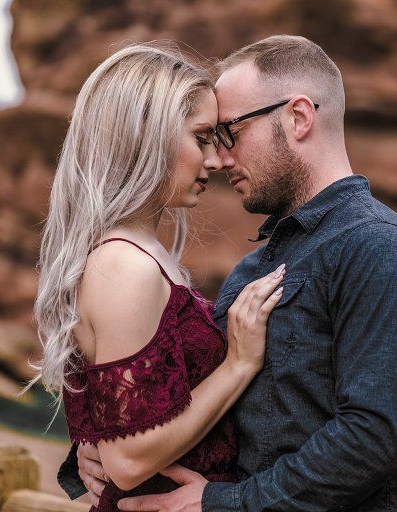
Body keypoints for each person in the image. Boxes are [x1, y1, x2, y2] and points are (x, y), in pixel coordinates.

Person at [68, 35, 397, 511]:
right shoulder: (253, 269)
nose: (221, 158)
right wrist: (103, 442)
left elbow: (375, 438)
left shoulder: (383, 250)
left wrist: (224, 504)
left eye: (231, 132)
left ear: (298, 117)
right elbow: (193, 398)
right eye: (209, 138)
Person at [30, 43, 287, 511]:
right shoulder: (123, 265)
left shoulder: (140, 254)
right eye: (202, 137)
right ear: (146, 135)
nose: (215, 161)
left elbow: (124, 426)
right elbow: (128, 460)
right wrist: (238, 364)